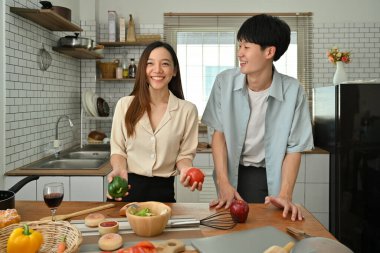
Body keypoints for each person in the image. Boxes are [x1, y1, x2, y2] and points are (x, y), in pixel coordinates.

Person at [201, 14, 314, 221]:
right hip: (231, 172)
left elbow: (294, 149)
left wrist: (285, 195)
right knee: (231, 229)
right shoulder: (223, 82)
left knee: (269, 232)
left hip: (270, 176)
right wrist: (224, 182)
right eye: (239, 46)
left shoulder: (293, 91)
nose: (239, 53)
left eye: (246, 47)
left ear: (269, 52)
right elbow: (219, 134)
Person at [108, 41, 203, 202]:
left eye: (165, 64)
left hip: (164, 194)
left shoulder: (187, 110)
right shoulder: (125, 105)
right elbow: (118, 150)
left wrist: (187, 169)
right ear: (143, 70)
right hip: (126, 190)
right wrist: (118, 169)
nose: (157, 70)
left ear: (174, 71)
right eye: (150, 63)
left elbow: (184, 155)